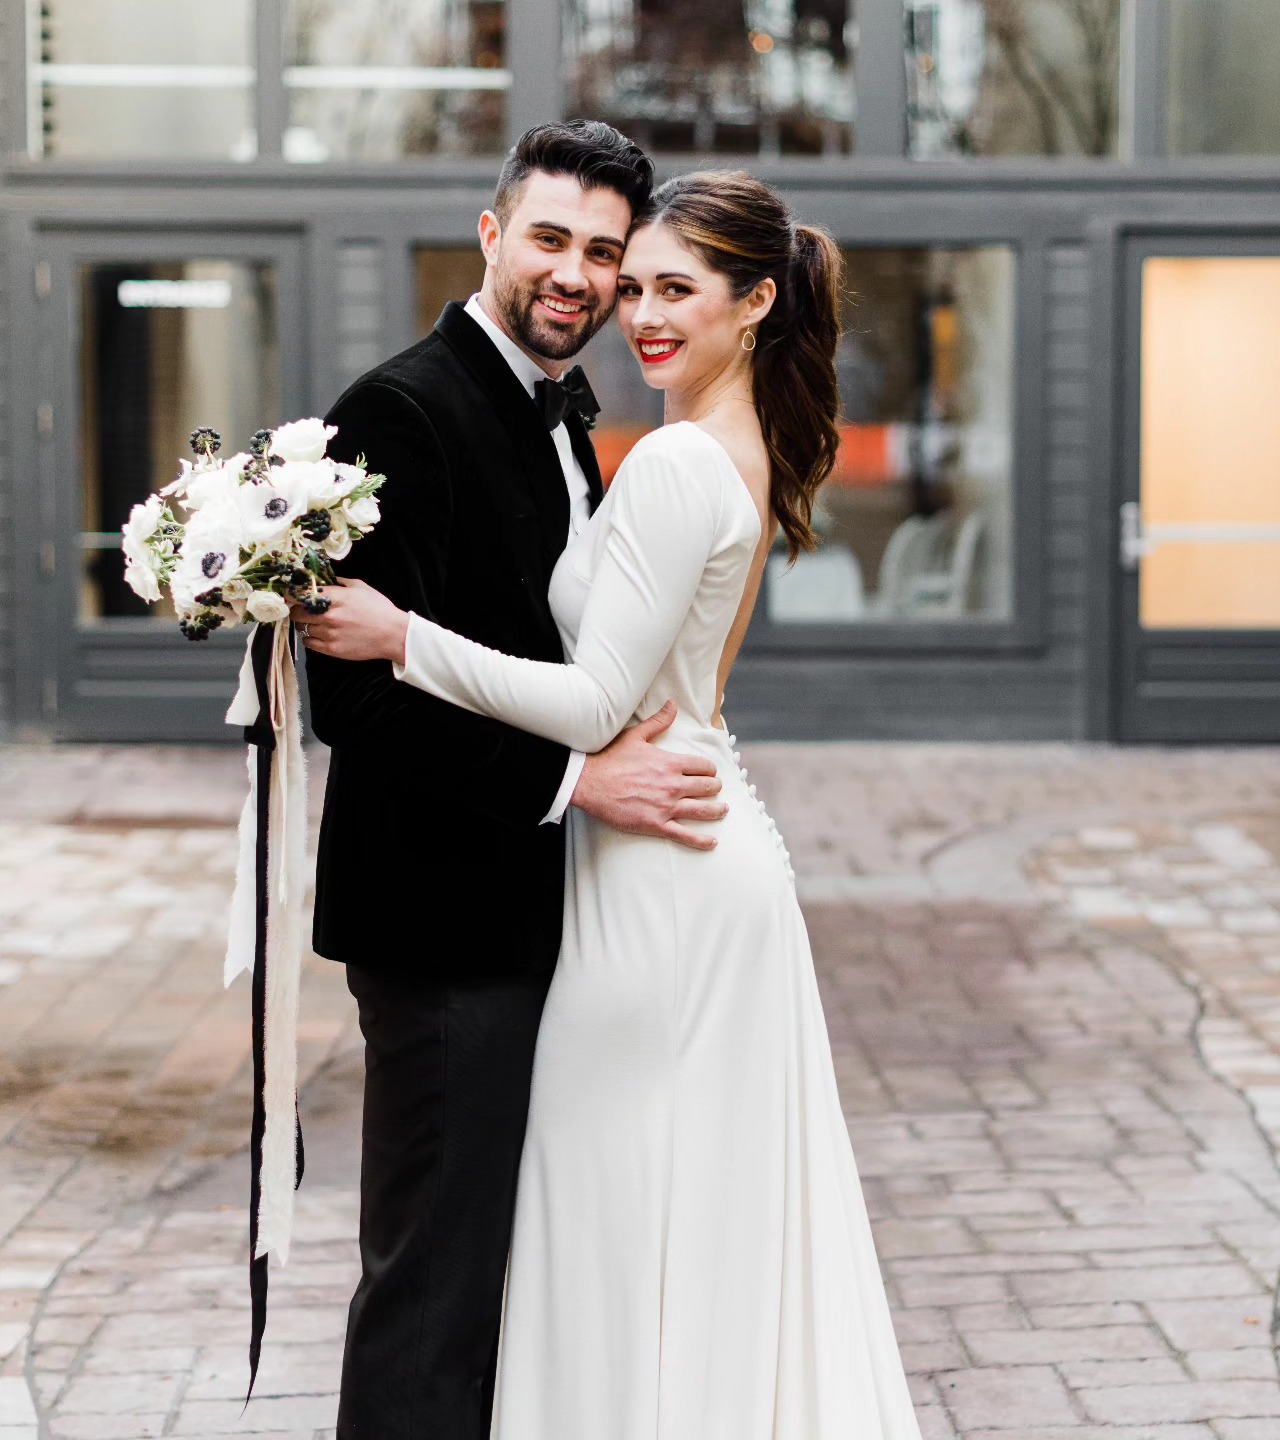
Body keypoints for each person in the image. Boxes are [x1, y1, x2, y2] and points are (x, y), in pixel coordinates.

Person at [300, 170, 922, 1438]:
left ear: (755, 304)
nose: (627, 304)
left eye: (660, 283)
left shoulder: (679, 456)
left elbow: (593, 703)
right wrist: (587, 766)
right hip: (641, 855)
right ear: (492, 235)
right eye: (618, 274)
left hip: (658, 872)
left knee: (612, 1214)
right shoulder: (691, 443)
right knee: (660, 1218)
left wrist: (401, 633)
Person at [301, 121, 730, 1439]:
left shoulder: (562, 415)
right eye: (551, 239)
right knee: (432, 1278)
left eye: (605, 252)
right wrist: (575, 785)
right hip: (443, 928)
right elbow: (355, 698)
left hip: (538, 917)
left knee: (506, 1270)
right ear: (492, 236)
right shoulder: (399, 408)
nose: (577, 274)